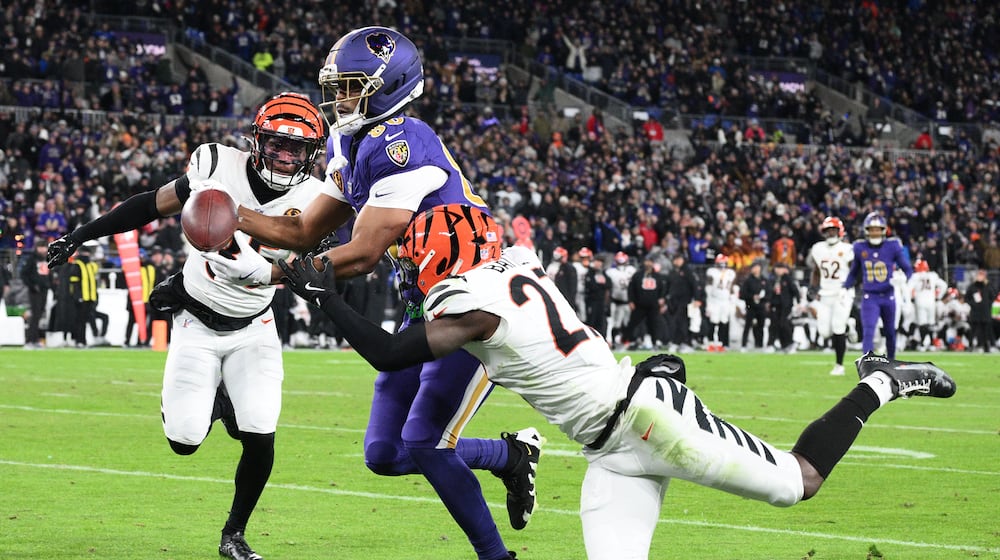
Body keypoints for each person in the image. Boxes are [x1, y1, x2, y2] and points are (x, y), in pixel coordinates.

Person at [278, 204, 957, 560]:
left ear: (443, 256)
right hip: (608, 449)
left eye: (415, 259)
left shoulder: (473, 304)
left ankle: (880, 383)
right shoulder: (513, 266)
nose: (409, 271)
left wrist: (324, 295)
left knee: (798, 482)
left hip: (651, 423)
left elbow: (389, 355)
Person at [204, 28, 539, 560]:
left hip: (472, 304)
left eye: (352, 86)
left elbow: (361, 254)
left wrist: (269, 275)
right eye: (336, 85)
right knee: (384, 453)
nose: (339, 97)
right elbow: (303, 232)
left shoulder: (403, 144)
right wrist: (227, 210)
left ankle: (497, 557)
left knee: (426, 441)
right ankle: (508, 456)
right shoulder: (349, 142)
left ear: (391, 86)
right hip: (421, 303)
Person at [47, 91, 328, 560]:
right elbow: (151, 204)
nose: (284, 155)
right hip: (195, 319)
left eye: (296, 148)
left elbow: (323, 267)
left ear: (311, 153)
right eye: (277, 143)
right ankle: (219, 398)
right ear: (256, 140)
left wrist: (270, 273)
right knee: (184, 441)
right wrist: (81, 235)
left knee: (260, 430)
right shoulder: (216, 164)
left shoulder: (318, 200)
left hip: (254, 324)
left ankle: (234, 534)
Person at [844, 212, 913, 359]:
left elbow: (907, 268)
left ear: (883, 230)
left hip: (888, 295)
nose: (874, 233)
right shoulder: (860, 247)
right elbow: (854, 272)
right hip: (870, 296)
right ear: (866, 230)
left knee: (890, 331)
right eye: (872, 229)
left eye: (877, 229)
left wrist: (902, 278)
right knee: (868, 330)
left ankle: (891, 361)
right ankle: (867, 364)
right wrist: (844, 287)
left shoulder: (892, 246)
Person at [806, 216, 855, 375]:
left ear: (840, 231)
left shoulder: (848, 249)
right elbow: (816, 270)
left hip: (842, 292)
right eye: (828, 231)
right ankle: (849, 325)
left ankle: (839, 366)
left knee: (837, 327)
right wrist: (812, 287)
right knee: (824, 332)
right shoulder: (818, 248)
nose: (831, 233)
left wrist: (849, 286)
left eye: (833, 230)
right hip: (825, 293)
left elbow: (855, 271)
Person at [907, 259, 947, 350]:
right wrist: (938, 296)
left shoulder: (915, 276)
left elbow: (908, 288)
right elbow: (944, 285)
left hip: (920, 300)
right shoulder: (933, 275)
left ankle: (923, 344)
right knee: (931, 323)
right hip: (931, 301)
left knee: (922, 323)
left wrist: (910, 299)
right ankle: (931, 343)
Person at [21, 238, 53, 348]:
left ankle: (35, 339)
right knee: (35, 316)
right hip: (35, 291)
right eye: (41, 247)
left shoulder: (47, 259)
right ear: (37, 248)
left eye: (44, 247)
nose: (43, 249)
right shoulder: (31, 259)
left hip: (44, 290)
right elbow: (23, 274)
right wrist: (32, 286)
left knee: (39, 316)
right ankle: (30, 340)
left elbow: (49, 274)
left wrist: (50, 285)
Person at [704, 253, 737, 350]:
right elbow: (708, 288)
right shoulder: (712, 272)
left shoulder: (730, 273)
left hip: (725, 301)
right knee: (713, 321)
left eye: (724, 263)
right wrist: (708, 303)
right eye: (720, 263)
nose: (722, 266)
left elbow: (732, 288)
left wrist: (732, 301)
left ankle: (722, 343)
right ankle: (710, 342)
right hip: (714, 300)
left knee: (724, 321)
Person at [965, 269, 997, 353]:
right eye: (979, 275)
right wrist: (973, 304)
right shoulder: (972, 286)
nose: (980, 277)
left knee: (986, 330)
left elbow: (993, 296)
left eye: (982, 275)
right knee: (973, 330)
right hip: (975, 312)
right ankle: (971, 346)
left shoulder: (988, 286)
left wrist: (987, 304)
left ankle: (986, 346)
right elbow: (967, 298)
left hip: (985, 312)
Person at [740, 261, 768, 351]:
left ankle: (759, 345)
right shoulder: (748, 281)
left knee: (760, 326)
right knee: (747, 326)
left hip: (761, 306)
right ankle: (743, 345)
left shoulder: (764, 280)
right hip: (750, 306)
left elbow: (769, 293)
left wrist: (763, 298)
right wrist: (752, 297)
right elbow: (742, 294)